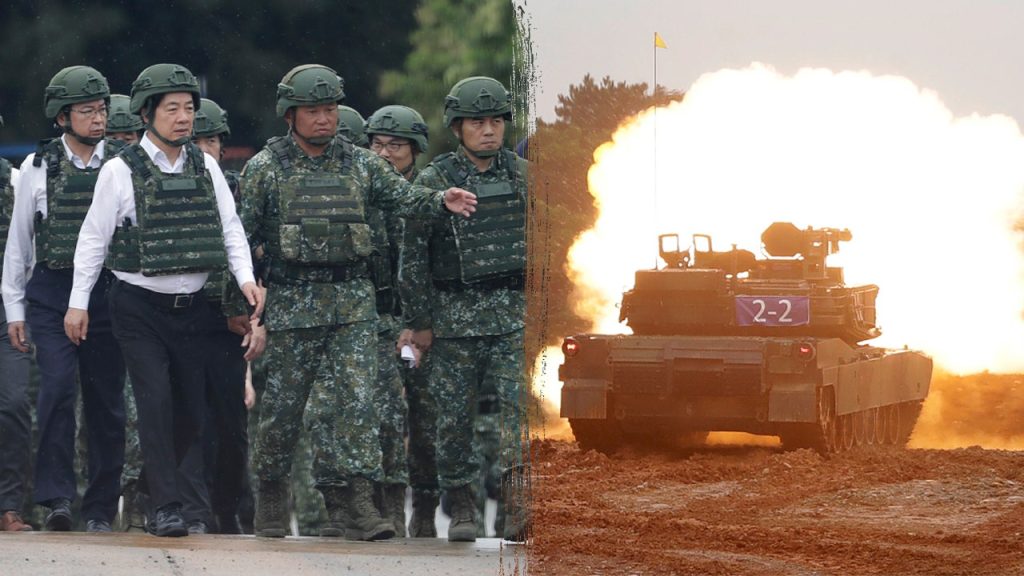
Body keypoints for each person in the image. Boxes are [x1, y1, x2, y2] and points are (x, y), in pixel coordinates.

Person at [240, 64, 476, 540]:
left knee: (356, 407)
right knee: (283, 411)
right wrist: (241, 309)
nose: (324, 118)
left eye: (330, 109)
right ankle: (270, 498)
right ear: (290, 114)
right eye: (313, 110)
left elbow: (404, 198)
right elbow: (240, 238)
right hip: (292, 303)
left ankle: (359, 505)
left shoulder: (363, 164)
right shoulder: (265, 169)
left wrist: (439, 200)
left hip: (352, 305)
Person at [63, 63, 263, 538]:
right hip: (138, 306)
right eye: (172, 108)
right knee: (154, 403)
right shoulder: (119, 170)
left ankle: (161, 495)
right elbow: (93, 239)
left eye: (189, 108)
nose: (183, 118)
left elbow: (230, 228)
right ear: (147, 113)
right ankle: (167, 507)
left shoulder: (205, 165)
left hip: (193, 308)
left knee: (191, 411)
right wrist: (78, 302)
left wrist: (246, 279)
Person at [403, 76, 529, 542]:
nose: (489, 130)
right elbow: (412, 257)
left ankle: (519, 509)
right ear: (457, 127)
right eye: (477, 121)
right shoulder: (436, 181)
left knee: (520, 417)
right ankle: (461, 507)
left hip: (512, 318)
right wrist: (420, 322)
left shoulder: (522, 176)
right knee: (452, 422)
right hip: (454, 322)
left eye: (496, 120)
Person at [2, 66, 127, 533]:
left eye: (101, 110)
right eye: (86, 111)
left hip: (109, 295)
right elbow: (20, 245)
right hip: (52, 294)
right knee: (55, 392)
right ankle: (56, 499)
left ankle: (98, 508)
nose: (98, 119)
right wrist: (15, 307)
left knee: (106, 402)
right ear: (62, 118)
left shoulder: (122, 163)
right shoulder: (36, 169)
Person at [185, 97, 266, 534]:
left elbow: (260, 259)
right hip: (183, 319)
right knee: (189, 419)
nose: (206, 147)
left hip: (232, 323)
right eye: (198, 139)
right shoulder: (166, 188)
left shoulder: (243, 191)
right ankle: (196, 510)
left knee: (232, 429)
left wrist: (257, 318)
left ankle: (228, 508)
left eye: (213, 138)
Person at [364, 104, 432, 536]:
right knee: (385, 417)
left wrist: (422, 324)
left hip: (425, 323)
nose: (385, 154)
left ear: (415, 150)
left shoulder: (428, 194)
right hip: (376, 320)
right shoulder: (361, 193)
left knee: (428, 420)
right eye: (377, 144)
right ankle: (387, 506)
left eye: (396, 146)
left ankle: (425, 507)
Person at [0, 113, 34, 532]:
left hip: (8, 311)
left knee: (12, 405)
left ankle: (9, 506)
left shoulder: (13, 181)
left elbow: (30, 241)